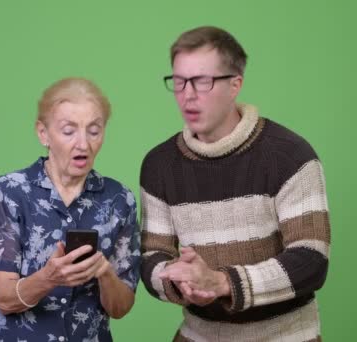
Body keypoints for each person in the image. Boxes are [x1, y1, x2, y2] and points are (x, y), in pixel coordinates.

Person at [140, 26, 331, 341]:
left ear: (234, 85)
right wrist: (181, 283)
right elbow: (152, 256)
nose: (188, 94)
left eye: (202, 81)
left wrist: (221, 282)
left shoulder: (290, 155)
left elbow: (311, 260)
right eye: (179, 81)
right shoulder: (159, 165)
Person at [0, 78, 140, 342]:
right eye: (68, 131)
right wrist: (48, 278)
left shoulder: (120, 199)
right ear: (43, 133)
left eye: (94, 131)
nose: (83, 144)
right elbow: (4, 298)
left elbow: (121, 308)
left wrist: (105, 272)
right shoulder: (10, 191)